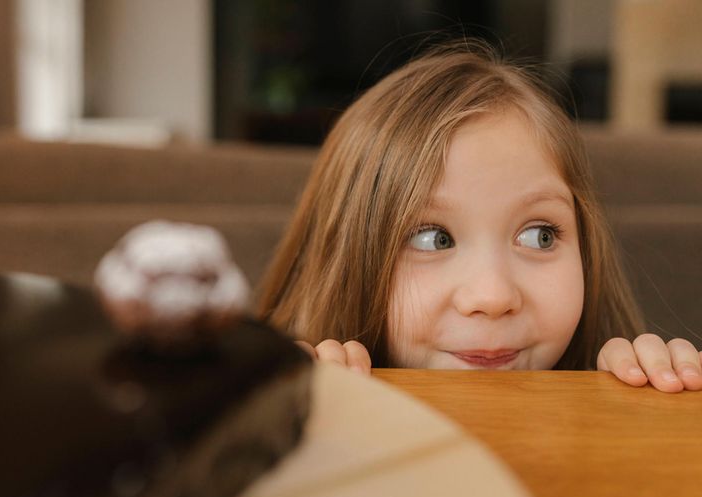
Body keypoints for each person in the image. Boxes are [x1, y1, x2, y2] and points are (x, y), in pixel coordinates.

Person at [256, 39, 702, 393]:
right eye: (433, 238)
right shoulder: (291, 406)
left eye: (539, 236)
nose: (492, 296)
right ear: (345, 256)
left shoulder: (620, 393)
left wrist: (649, 395)